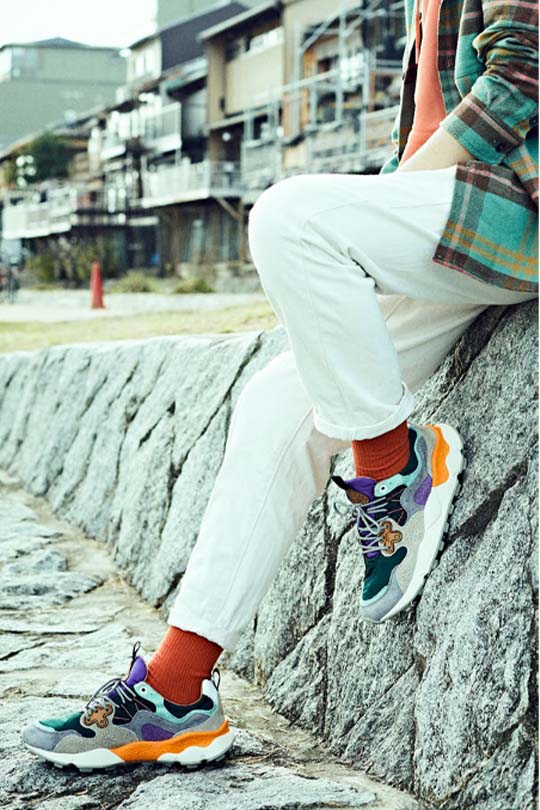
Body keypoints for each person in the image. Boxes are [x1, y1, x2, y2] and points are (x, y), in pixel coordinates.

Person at [22, 0, 538, 772]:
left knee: (290, 216)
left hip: (514, 207)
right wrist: (375, 220)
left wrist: (372, 210)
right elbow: (426, 136)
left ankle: (392, 467)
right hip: (458, 226)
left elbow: (520, 79)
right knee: (274, 399)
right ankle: (176, 692)